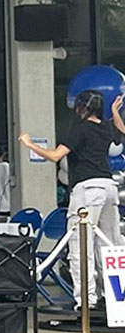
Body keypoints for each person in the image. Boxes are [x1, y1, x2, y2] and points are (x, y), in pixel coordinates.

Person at [22, 89, 125, 307]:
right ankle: (115, 296)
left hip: (87, 189)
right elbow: (122, 131)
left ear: (82, 107)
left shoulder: (80, 129)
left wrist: (30, 144)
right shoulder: (105, 127)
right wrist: (115, 111)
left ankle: (86, 300)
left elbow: (56, 156)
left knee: (81, 245)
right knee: (111, 244)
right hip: (109, 187)